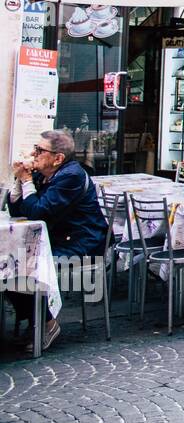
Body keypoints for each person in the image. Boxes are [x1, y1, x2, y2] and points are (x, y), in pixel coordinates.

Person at [5, 129, 109, 351]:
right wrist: (19, 179)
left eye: (39, 150)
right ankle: (37, 320)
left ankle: (47, 323)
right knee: (9, 264)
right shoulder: (44, 174)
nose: (34, 154)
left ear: (58, 158)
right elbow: (18, 208)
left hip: (82, 242)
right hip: (57, 239)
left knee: (25, 267)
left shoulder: (71, 176)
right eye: (35, 148)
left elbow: (38, 212)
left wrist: (26, 181)